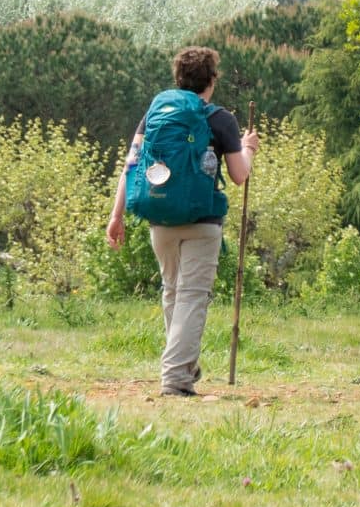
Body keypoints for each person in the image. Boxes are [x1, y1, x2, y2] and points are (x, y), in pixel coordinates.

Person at [106, 45, 257, 397]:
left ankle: (183, 363)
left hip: (160, 219)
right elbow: (238, 175)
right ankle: (176, 378)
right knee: (191, 296)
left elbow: (131, 166)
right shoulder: (220, 119)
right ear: (211, 81)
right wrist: (248, 148)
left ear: (178, 79)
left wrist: (117, 216)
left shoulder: (156, 114)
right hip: (202, 221)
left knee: (173, 293)